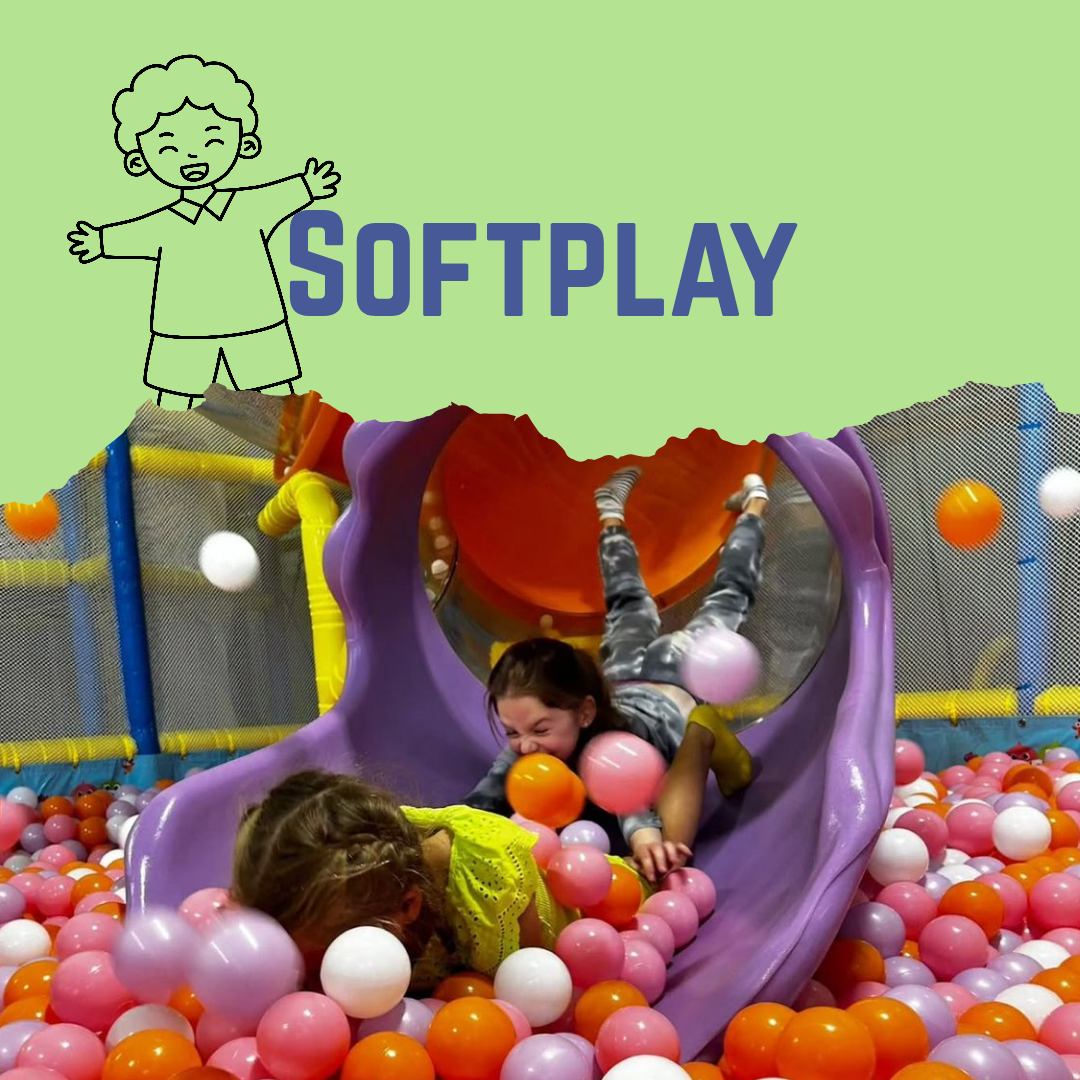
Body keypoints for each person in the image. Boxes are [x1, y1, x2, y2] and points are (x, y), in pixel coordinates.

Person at [466, 466, 767, 882]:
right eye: (512, 732)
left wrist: (647, 845)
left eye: (539, 729)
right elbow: (479, 804)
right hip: (622, 677)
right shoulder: (532, 747)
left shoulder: (610, 745)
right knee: (628, 605)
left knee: (727, 602)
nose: (526, 746)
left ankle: (754, 507)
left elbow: (631, 806)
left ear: (584, 712)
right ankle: (610, 513)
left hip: (676, 676)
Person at [65, 54, 341, 408]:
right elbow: (131, 233)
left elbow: (282, 194)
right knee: (175, 391)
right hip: (183, 330)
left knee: (274, 386)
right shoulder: (164, 223)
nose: (192, 156)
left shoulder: (250, 204)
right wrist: (100, 241)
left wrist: (308, 186)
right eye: (168, 147)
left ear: (245, 144)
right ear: (138, 160)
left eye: (212, 141)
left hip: (256, 321)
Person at [232, 769, 616, 990]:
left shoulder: (491, 888)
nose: (310, 985)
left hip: (603, 913)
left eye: (321, 964)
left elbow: (537, 994)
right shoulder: (360, 859)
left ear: (407, 908)